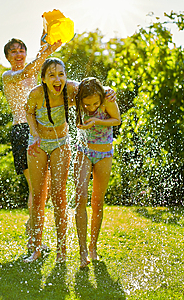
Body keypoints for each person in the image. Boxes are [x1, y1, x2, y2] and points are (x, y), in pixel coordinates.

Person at [24, 59, 117, 263]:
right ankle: (36, 248)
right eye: (52, 75)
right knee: (39, 195)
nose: (57, 79)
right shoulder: (37, 94)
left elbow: (93, 88)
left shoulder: (72, 90)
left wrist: (109, 90)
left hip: (60, 143)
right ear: (43, 79)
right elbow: (28, 111)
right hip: (37, 143)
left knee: (59, 194)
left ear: (66, 76)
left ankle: (61, 249)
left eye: (61, 74)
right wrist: (34, 133)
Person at [2, 36, 61, 248]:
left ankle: (32, 229)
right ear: (8, 57)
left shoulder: (33, 73)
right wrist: (45, 52)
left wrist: (47, 43)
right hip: (22, 131)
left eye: (21, 51)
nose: (18, 55)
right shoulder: (8, 76)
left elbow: (39, 68)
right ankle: (34, 239)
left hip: (39, 130)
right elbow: (28, 71)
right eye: (13, 52)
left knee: (45, 189)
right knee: (37, 189)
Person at [74, 77, 121, 268]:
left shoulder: (107, 98)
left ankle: (93, 247)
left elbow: (116, 120)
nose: (92, 107)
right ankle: (82, 250)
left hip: (104, 153)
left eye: (95, 103)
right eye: (88, 104)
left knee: (97, 201)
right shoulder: (76, 100)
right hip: (84, 151)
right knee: (81, 197)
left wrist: (95, 121)